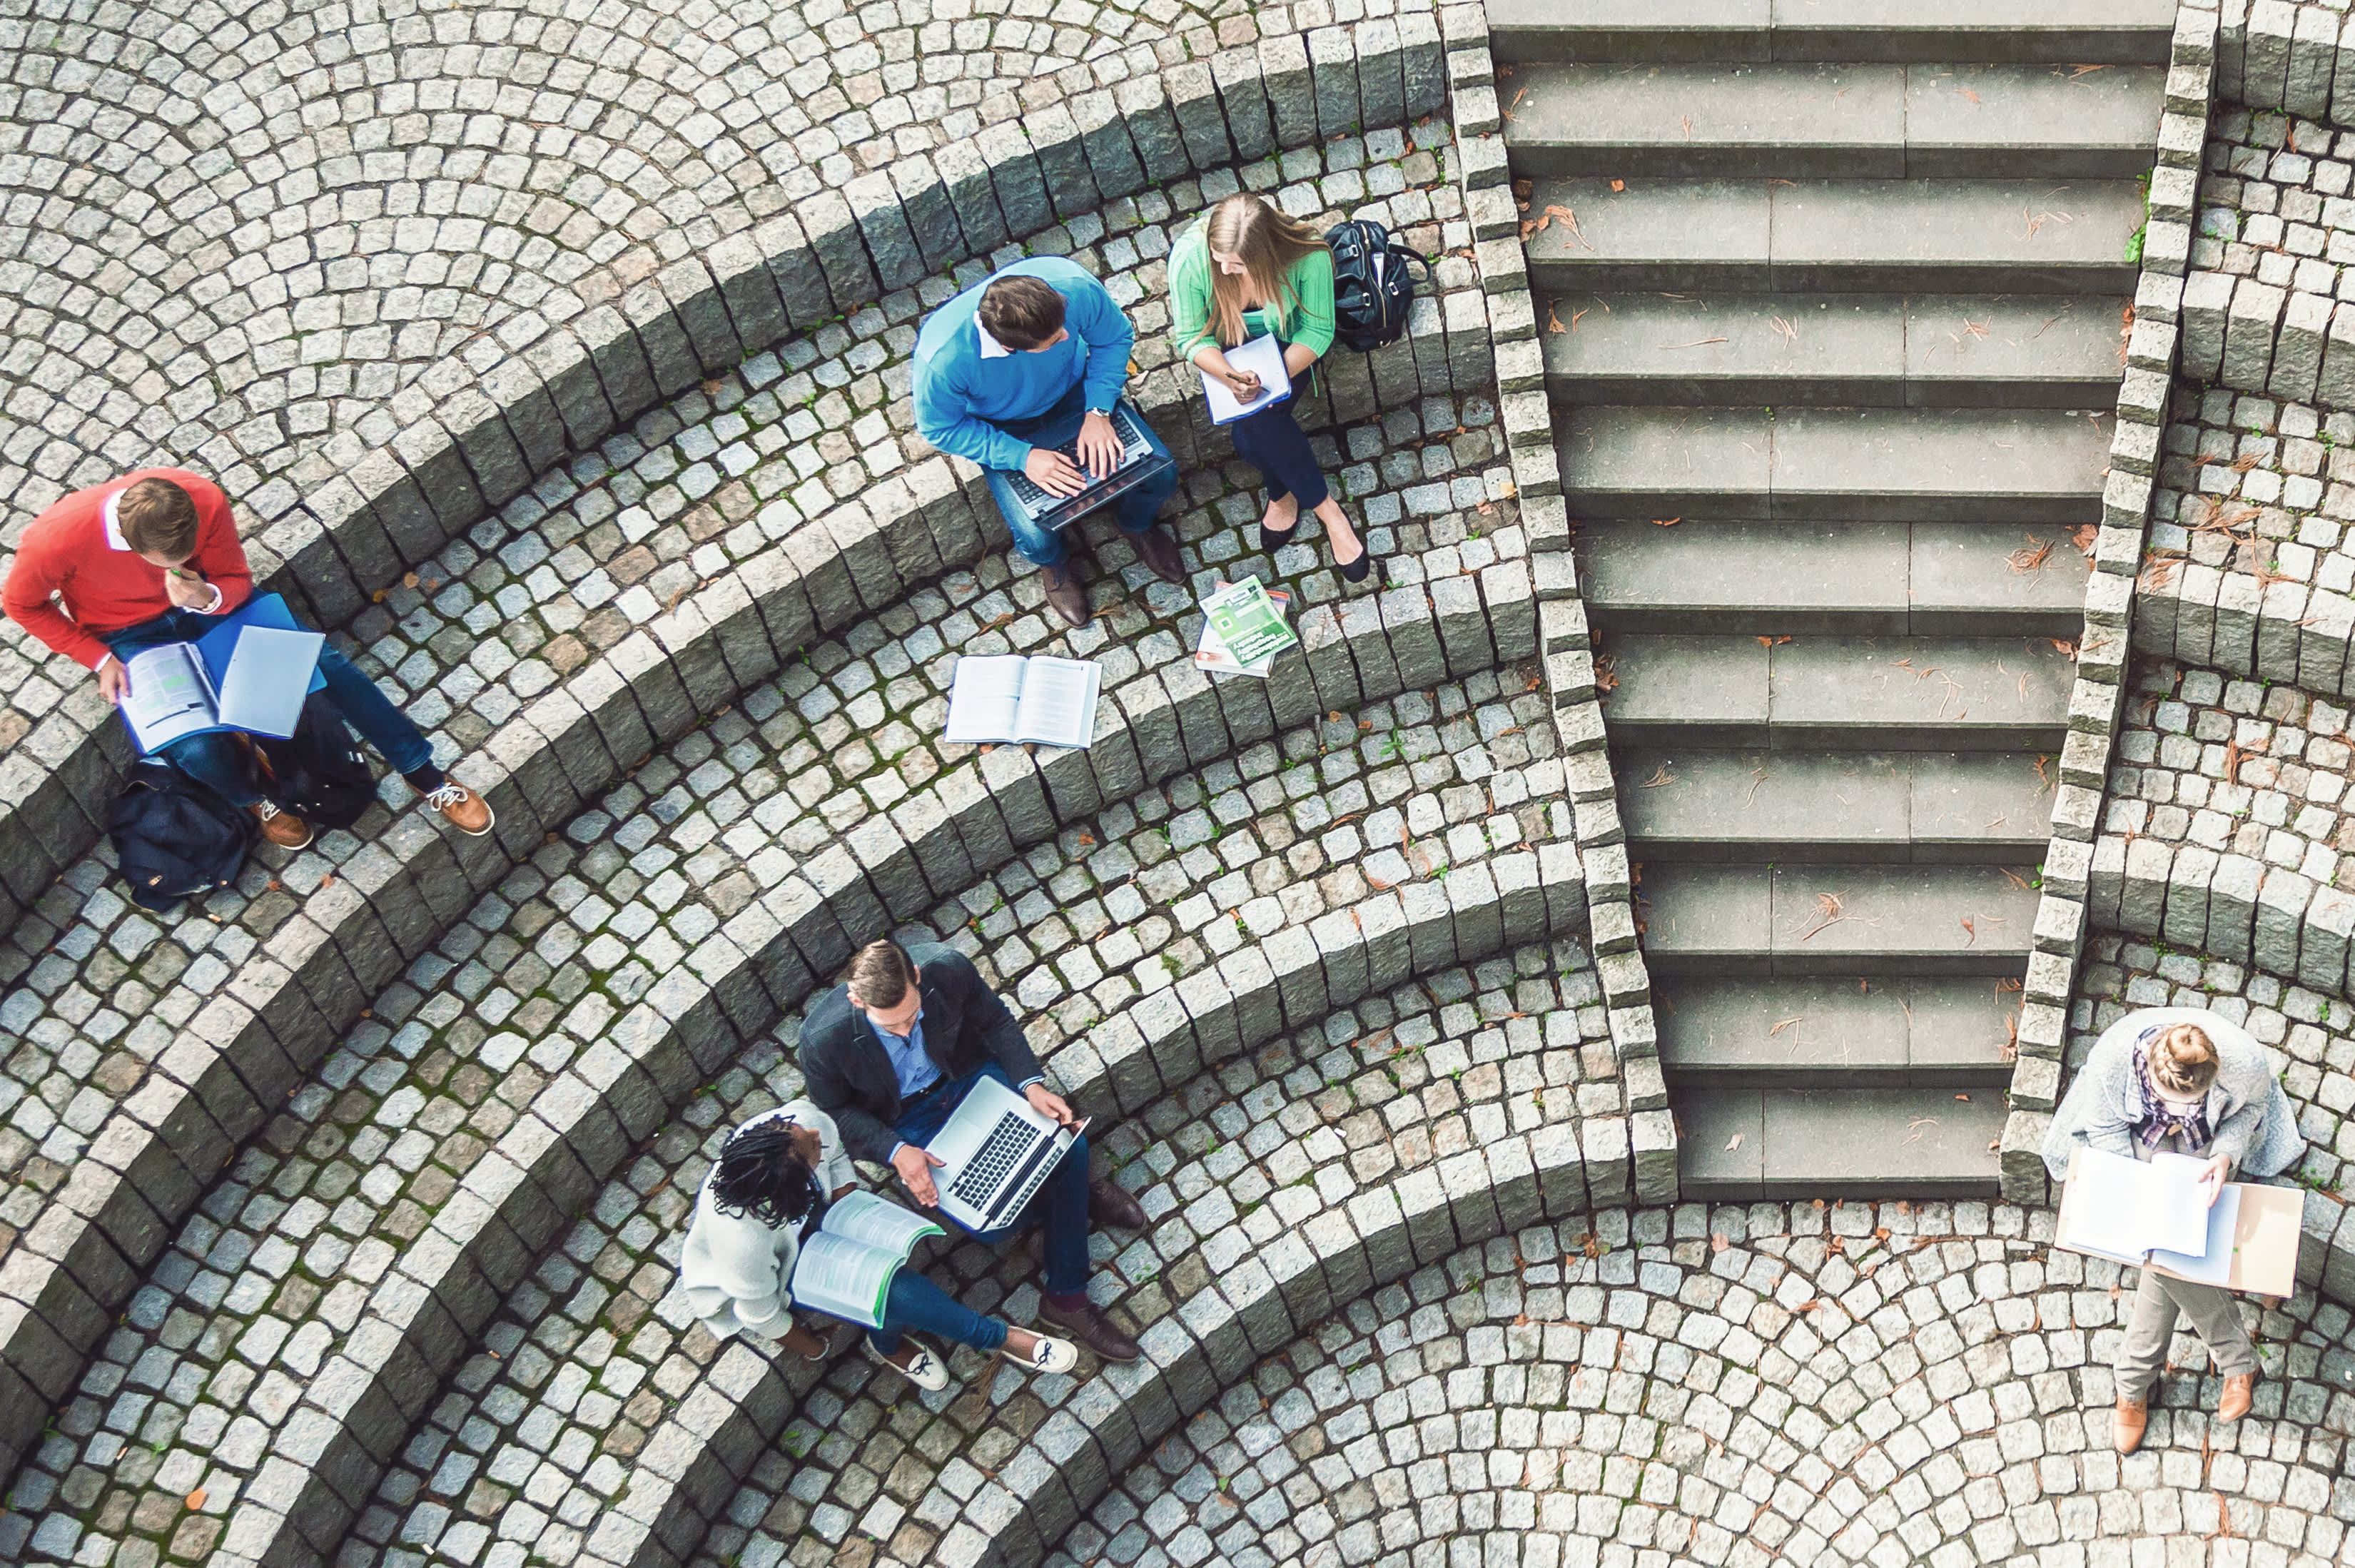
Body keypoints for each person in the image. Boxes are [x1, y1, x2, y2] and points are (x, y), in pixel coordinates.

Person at [1, 469, 492, 849]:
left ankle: (422, 771)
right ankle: (260, 799)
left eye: (186, 553)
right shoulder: (57, 539)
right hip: (128, 631)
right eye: (163, 562)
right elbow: (20, 602)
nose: (174, 567)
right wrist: (94, 656)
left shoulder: (201, 498)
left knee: (325, 667)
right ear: (130, 545)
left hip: (209, 606)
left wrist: (205, 594)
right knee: (195, 749)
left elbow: (235, 577)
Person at [799, 939, 1150, 1362]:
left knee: (1068, 1148)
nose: (906, 1031)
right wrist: (895, 1151)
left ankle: (1067, 1298)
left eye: (912, 1016)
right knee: (992, 1225)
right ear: (856, 1001)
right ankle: (1072, 1197)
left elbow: (996, 1021)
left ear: (917, 976)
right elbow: (835, 1111)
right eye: (890, 1027)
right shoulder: (823, 1040)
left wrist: (1030, 1084)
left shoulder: (947, 968)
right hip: (909, 1122)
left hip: (969, 1080)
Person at [2042, 1006, 2304, 1453]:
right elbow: (2107, 1129)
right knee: (2164, 1247)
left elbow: (2251, 1111)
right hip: (2133, 1139)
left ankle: (2133, 1384)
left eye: (2186, 1103)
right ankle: (2236, 1361)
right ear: (2150, 1075)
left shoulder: (2244, 1065)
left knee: (2161, 1258)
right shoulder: (2114, 1061)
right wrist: (2134, 1190)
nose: (2174, 1111)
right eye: (2167, 1100)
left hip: (2207, 1141)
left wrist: (2224, 1155)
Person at [679, 1099, 1077, 1390]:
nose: (814, 1133)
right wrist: (813, 1347)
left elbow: (832, 1153)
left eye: (805, 1135)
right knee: (893, 1289)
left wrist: (845, 1201)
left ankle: (887, 1343)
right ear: (788, 1183)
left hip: (815, 1211)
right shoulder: (740, 1240)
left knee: (884, 1281)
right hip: (783, 1268)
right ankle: (994, 1337)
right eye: (809, 1148)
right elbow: (760, 1313)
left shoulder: (796, 1126)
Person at [912, 259, 1185, 628]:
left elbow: (1114, 337)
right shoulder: (943, 360)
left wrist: (1099, 410)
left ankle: (1135, 524)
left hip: (1077, 396)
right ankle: (1056, 565)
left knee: (1160, 476)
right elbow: (941, 429)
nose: (1068, 338)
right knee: (1035, 537)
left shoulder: (1073, 289)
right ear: (1011, 347)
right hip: (1006, 429)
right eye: (1055, 340)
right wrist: (1021, 457)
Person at [1169, 191, 1374, 584]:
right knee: (1254, 430)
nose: (1226, 269)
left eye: (1238, 263)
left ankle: (1298, 502)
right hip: (1227, 352)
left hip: (1286, 350)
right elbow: (1191, 336)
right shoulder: (1191, 259)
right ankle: (1323, 509)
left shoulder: (1307, 258)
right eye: (1219, 257)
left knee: (1251, 436)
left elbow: (1316, 331)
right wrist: (1228, 375)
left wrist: (1275, 376)